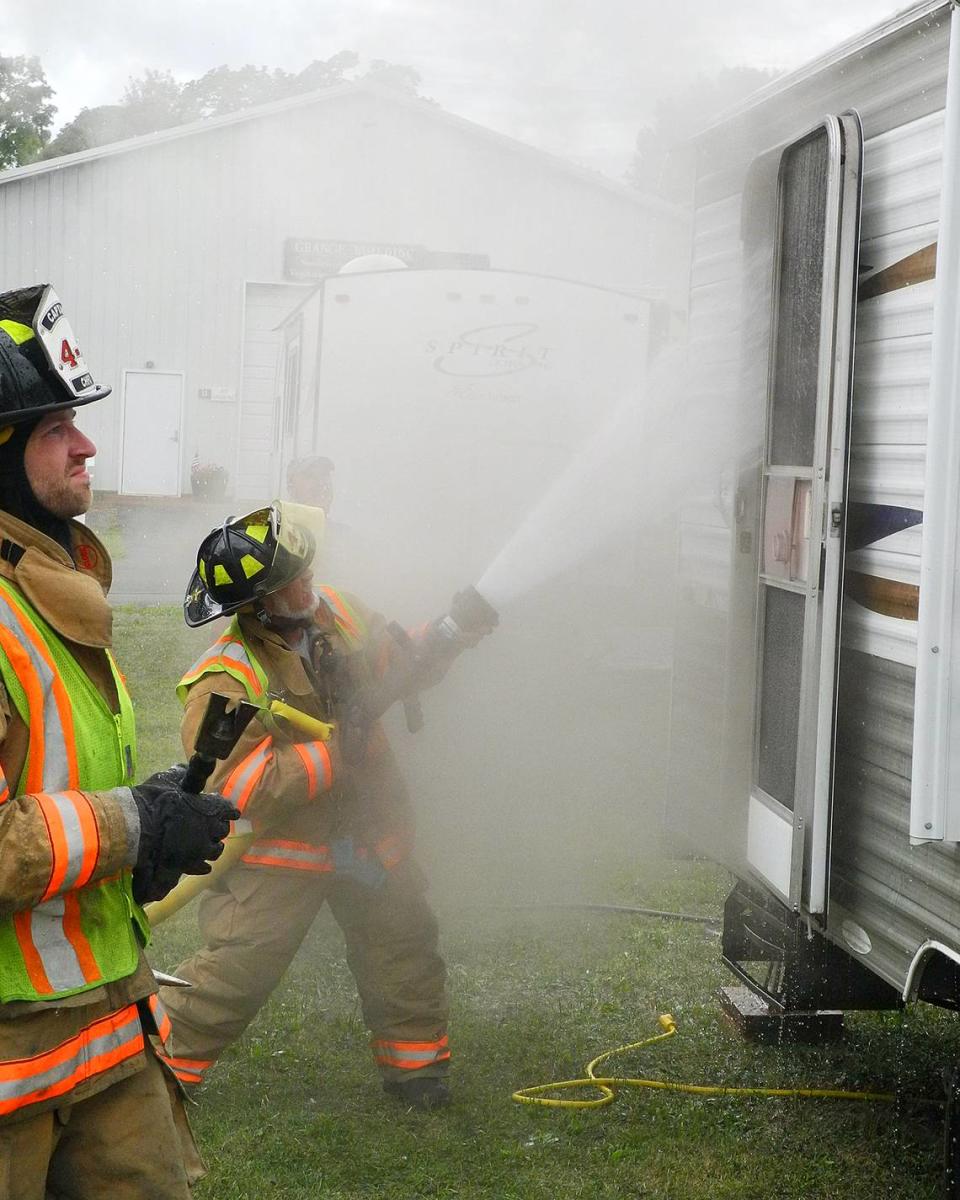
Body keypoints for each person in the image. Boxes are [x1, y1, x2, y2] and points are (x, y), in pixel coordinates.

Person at [0, 284, 238, 1198]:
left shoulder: (42, 592)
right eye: (55, 425)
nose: (87, 444)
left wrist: (150, 825)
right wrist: (133, 827)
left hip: (104, 1033)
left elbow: (56, 780)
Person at [158, 501, 496, 1110]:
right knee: (237, 972)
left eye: (306, 569)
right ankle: (154, 1073)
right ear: (257, 605)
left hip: (367, 834)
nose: (308, 585)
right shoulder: (227, 679)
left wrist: (449, 633)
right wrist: (334, 751)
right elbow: (235, 788)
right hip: (286, 854)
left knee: (402, 944)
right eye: (291, 582)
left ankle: (416, 1073)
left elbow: (395, 665)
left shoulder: (339, 612)